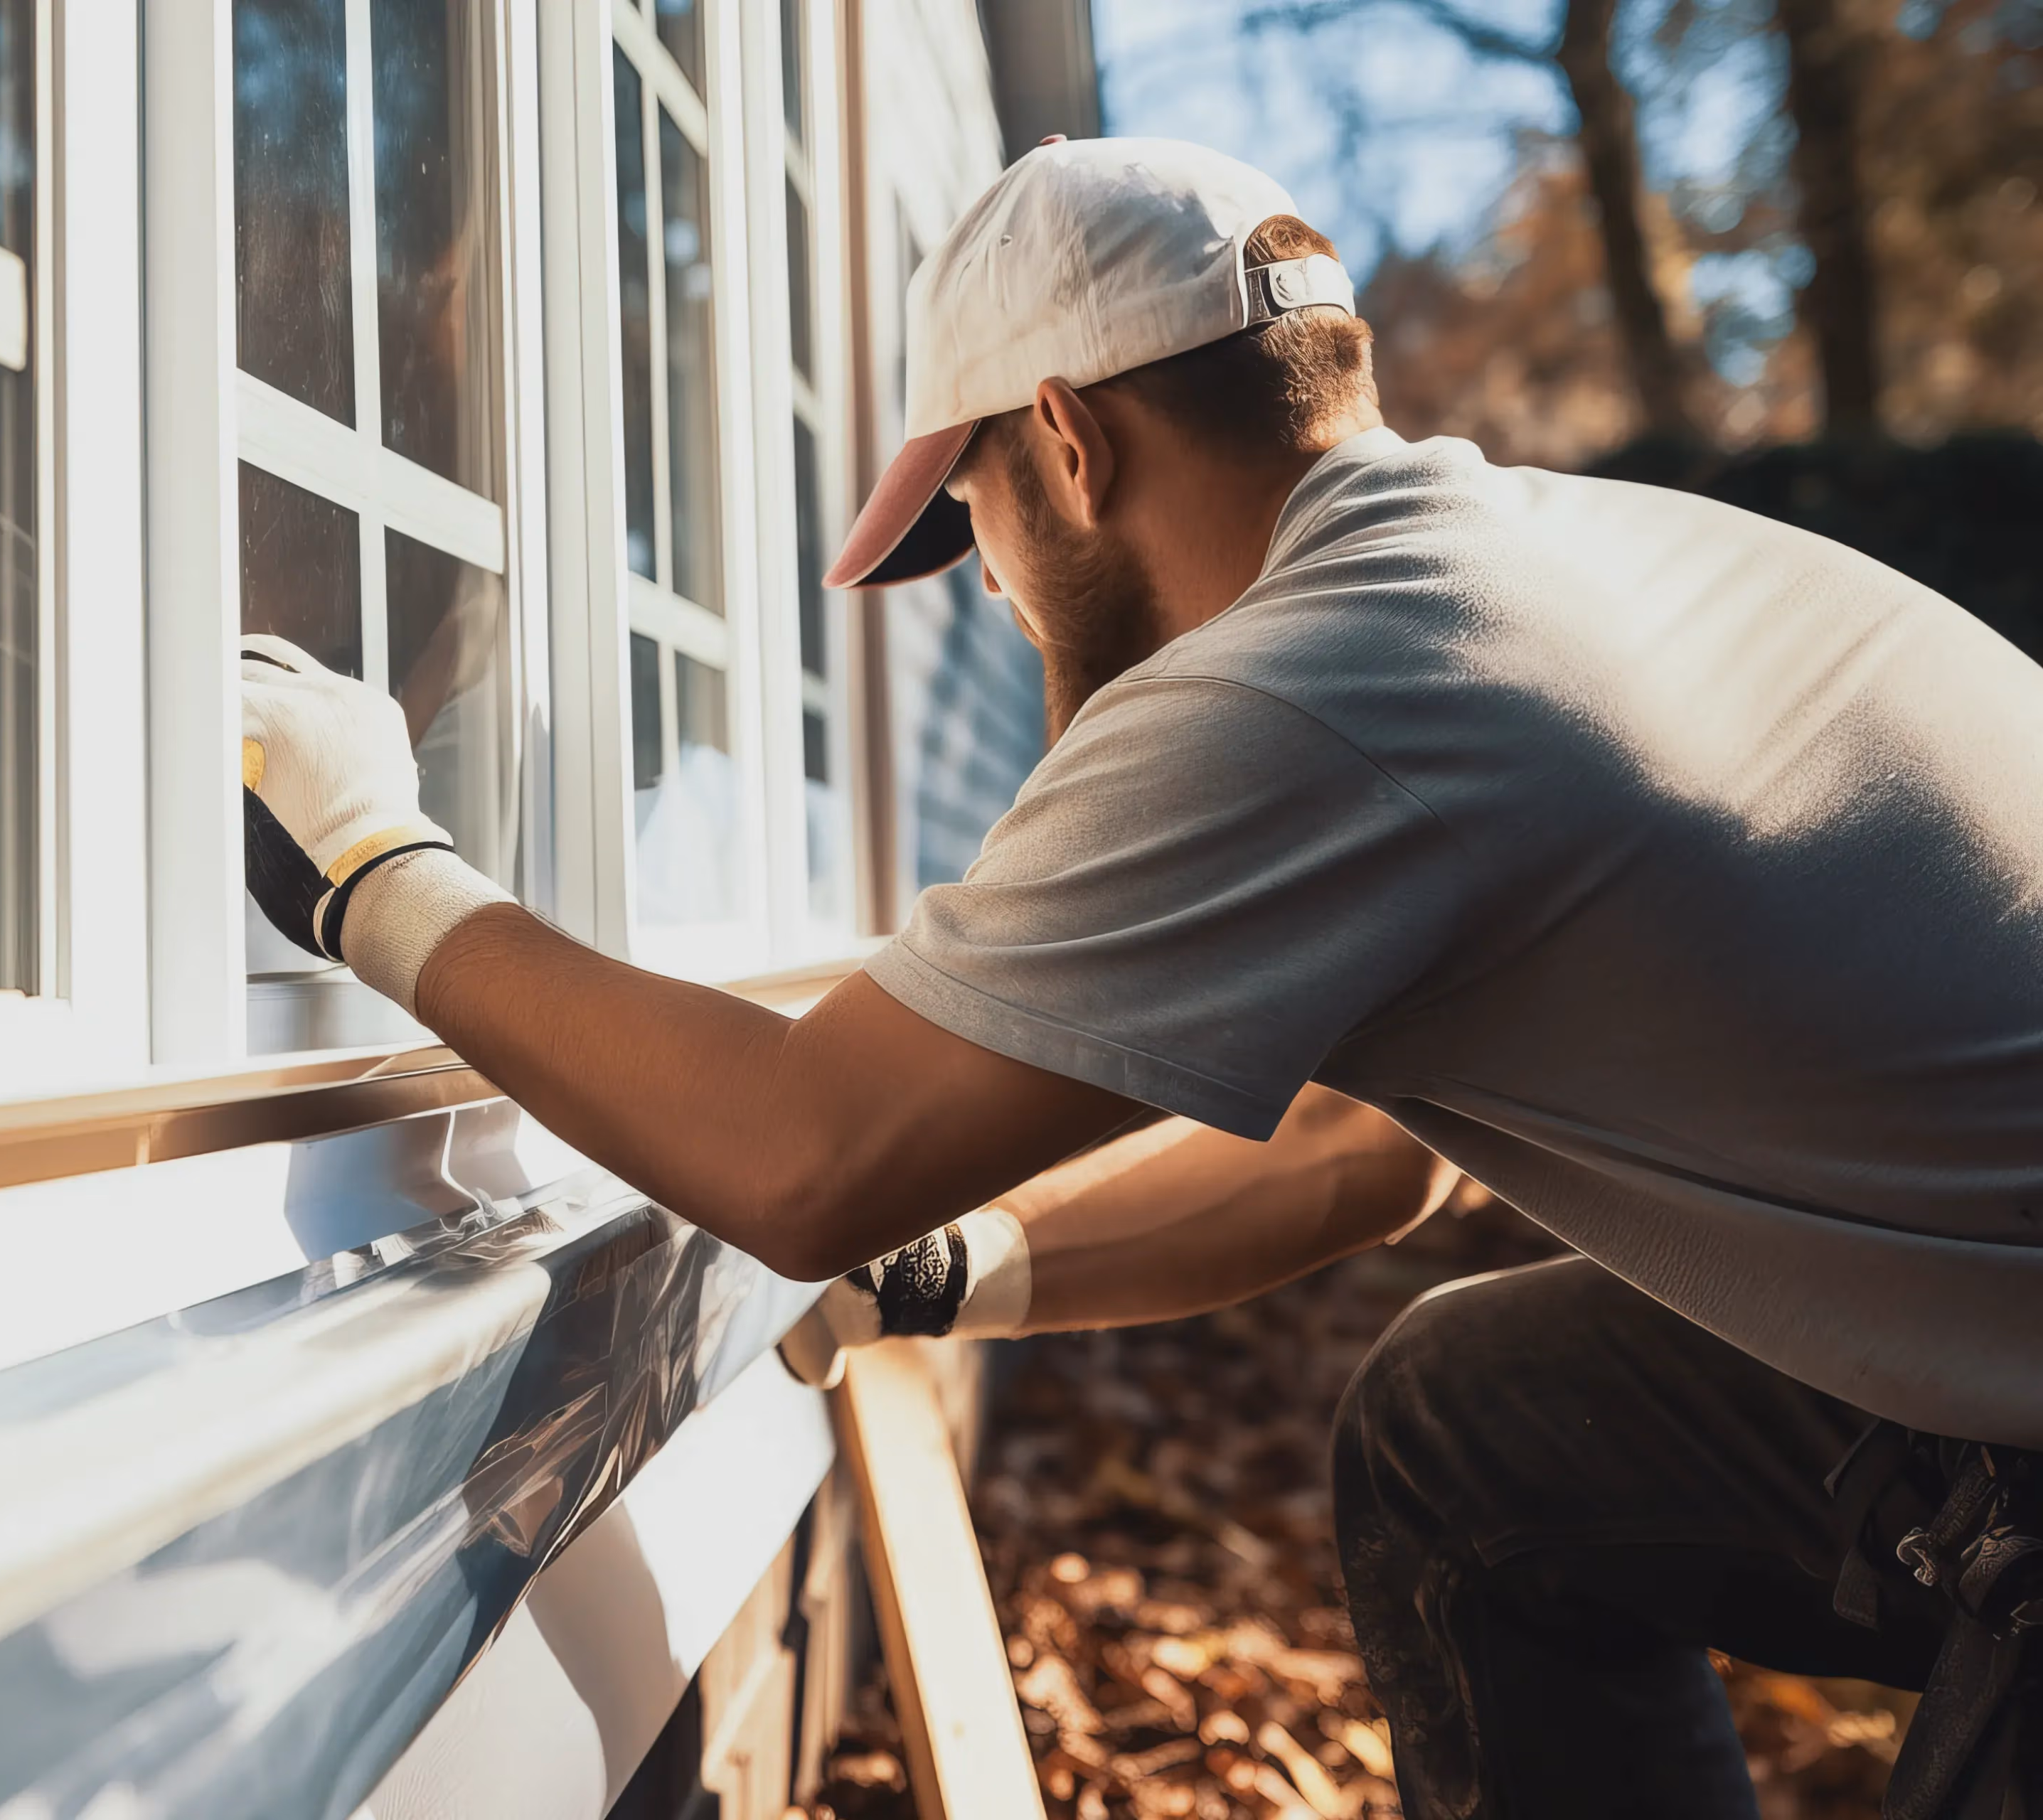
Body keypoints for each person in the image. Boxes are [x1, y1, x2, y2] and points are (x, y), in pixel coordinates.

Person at [237, 137, 2043, 1816]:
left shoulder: (1324, 676)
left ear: (1067, 443)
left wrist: (377, 870)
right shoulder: (1515, 561)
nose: (1000, 596)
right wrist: (965, 1263)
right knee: (1471, 1423)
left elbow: (800, 1151)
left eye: (976, 523)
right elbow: (1366, 1153)